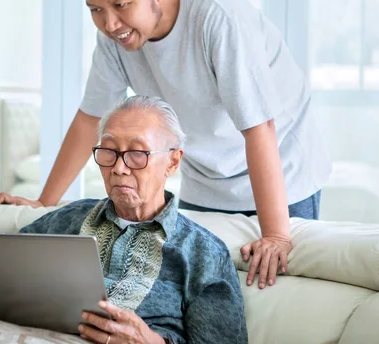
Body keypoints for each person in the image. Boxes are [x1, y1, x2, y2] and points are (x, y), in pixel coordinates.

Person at [0, 0, 332, 290]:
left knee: (274, 287)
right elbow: (89, 119)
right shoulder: (115, 38)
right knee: (200, 287)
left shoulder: (217, 17)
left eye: (121, 5)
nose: (109, 23)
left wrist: (274, 235)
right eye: (95, 9)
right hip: (206, 178)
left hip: (282, 173)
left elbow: (260, 127)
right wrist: (43, 204)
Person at [18, 96, 248, 344]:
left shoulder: (204, 254)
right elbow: (4, 268)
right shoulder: (70, 218)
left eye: (137, 153)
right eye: (109, 151)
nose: (118, 168)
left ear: (172, 162)